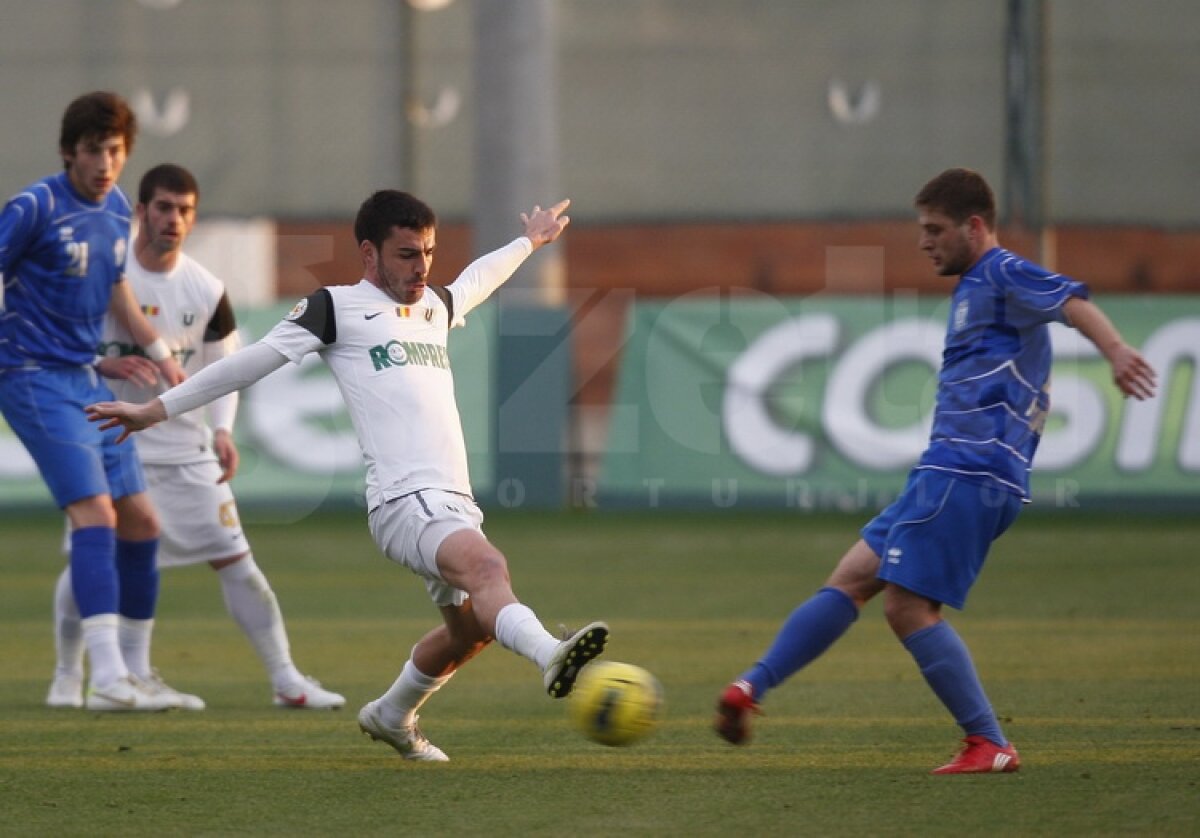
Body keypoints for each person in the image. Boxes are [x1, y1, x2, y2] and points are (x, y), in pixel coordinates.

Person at [87, 190, 608, 760]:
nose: (422, 266)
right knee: (489, 568)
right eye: (407, 254)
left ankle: (391, 714)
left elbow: (476, 281)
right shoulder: (335, 308)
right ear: (369, 253)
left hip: (452, 502)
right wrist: (155, 408)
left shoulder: (433, 305)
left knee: (471, 632)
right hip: (403, 502)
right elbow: (249, 361)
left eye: (429, 252)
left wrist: (529, 242)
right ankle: (548, 654)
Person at [714, 168, 1157, 773]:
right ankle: (749, 689)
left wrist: (1116, 351)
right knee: (850, 579)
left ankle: (989, 742)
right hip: (944, 472)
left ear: (975, 227)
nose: (925, 242)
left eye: (935, 230)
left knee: (907, 608)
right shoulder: (973, 285)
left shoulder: (1001, 271)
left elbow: (1072, 301)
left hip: (969, 474)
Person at [47, 164, 345, 711]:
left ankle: (287, 680)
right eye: (163, 207)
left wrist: (224, 430)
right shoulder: (102, 278)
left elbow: (221, 367)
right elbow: (58, 348)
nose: (174, 219)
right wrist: (101, 366)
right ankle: (69, 675)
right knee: (89, 560)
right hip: (111, 443)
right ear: (140, 212)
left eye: (184, 210)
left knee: (238, 561)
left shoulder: (206, 289)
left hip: (186, 453)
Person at [0, 91, 189, 711]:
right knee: (95, 516)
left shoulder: (113, 209)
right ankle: (102, 677)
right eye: (93, 151)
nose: (106, 162)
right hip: (30, 375)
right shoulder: (33, 207)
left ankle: (133, 673)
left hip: (84, 377)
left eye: (116, 151)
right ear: (68, 152)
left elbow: (115, 291)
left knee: (142, 523)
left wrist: (162, 358)